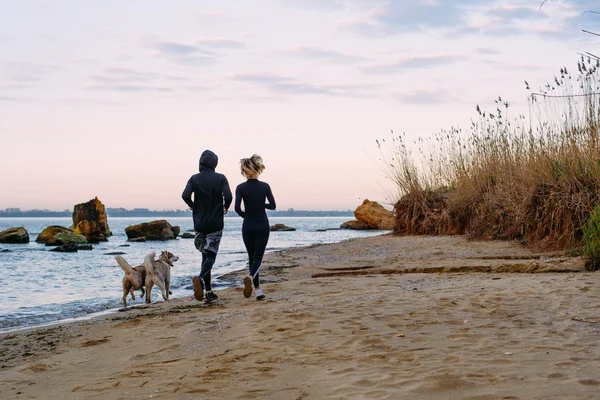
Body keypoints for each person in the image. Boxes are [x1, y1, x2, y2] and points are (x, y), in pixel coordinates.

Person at [182, 150, 232, 303]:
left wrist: (192, 205)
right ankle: (200, 277)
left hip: (199, 223)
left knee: (204, 255)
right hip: (215, 223)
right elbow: (229, 195)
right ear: (214, 163)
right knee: (211, 255)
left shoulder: (194, 178)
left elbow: (185, 195)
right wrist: (226, 206)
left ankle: (209, 291)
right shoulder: (220, 178)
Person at [234, 154, 276, 300]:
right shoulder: (265, 186)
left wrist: (246, 215)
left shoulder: (240, 188)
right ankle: (252, 279)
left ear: (245, 171)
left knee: (251, 257)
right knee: (258, 258)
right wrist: (260, 204)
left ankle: (258, 289)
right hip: (262, 225)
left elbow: (237, 208)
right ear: (257, 169)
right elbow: (272, 206)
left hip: (248, 225)